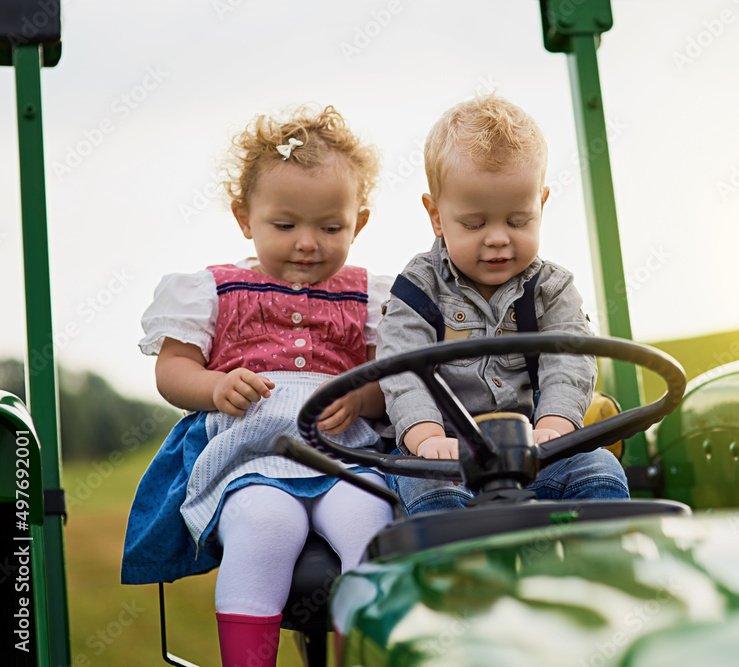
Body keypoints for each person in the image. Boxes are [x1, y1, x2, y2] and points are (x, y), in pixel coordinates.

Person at [121, 105, 393, 667]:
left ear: (358, 223)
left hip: (346, 457)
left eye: (331, 227)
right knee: (266, 527)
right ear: (245, 217)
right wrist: (214, 387)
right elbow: (172, 369)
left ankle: (367, 655)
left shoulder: (371, 296)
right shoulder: (214, 291)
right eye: (285, 225)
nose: (307, 244)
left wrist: (361, 396)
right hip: (251, 456)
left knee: (373, 522)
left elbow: (385, 382)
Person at [377, 94, 630, 514]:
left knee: (598, 469)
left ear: (541, 205)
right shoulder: (419, 288)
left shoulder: (552, 288)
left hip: (531, 455)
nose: (498, 238)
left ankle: (596, 568)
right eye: (474, 224)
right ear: (436, 215)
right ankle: (459, 577)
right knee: (430, 491)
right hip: (443, 458)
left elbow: (569, 358)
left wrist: (555, 427)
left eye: (518, 220)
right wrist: (426, 437)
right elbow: (403, 367)